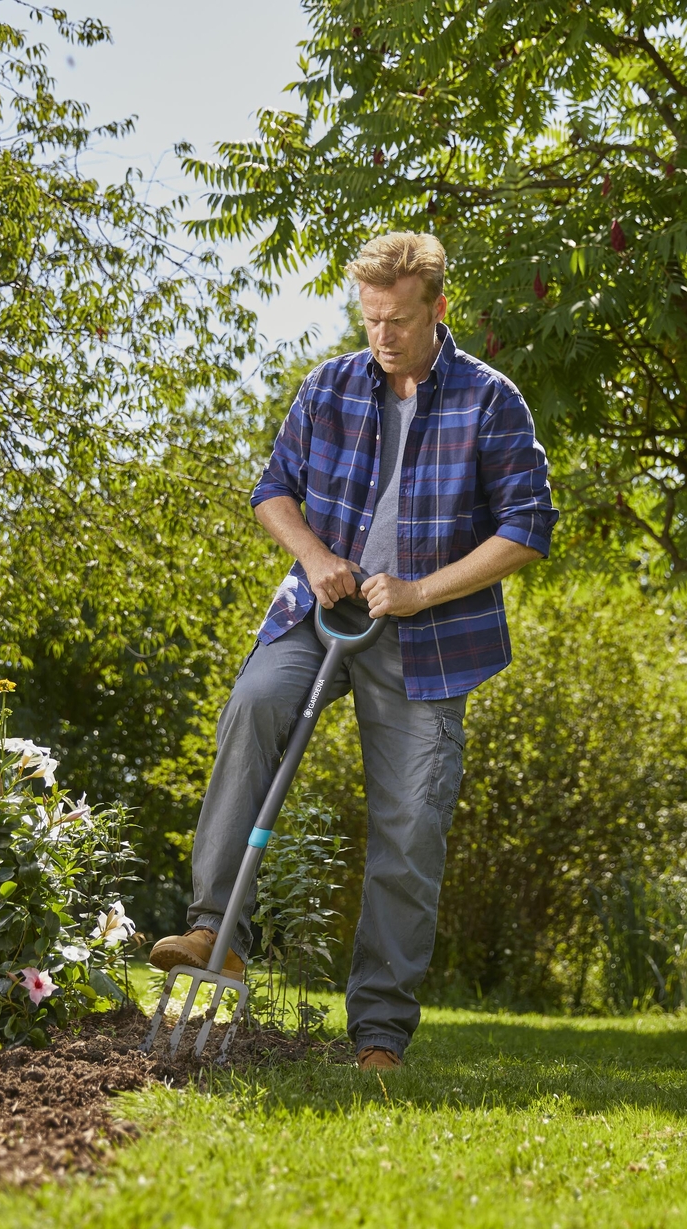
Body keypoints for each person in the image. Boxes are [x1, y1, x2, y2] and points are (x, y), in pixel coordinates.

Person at [149, 232, 558, 1070]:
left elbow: (528, 529)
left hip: (431, 638)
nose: (382, 336)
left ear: (439, 309)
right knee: (256, 701)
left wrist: (418, 590)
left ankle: (378, 1031)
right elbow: (273, 491)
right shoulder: (330, 385)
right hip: (320, 610)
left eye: (399, 320)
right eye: (370, 318)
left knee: (410, 824)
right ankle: (214, 930)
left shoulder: (490, 401)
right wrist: (316, 557)